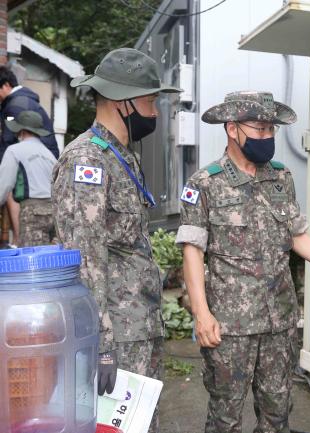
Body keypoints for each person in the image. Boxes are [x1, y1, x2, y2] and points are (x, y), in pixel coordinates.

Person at [175, 90, 310, 433]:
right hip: (229, 326)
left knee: (278, 413)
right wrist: (201, 313)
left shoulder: (281, 178)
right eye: (259, 129)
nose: (267, 137)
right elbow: (192, 249)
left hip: (279, 322)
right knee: (226, 417)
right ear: (232, 129)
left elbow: (298, 237)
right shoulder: (205, 183)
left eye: (271, 130)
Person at [51, 48, 181, 433]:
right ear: (123, 103)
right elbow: (84, 259)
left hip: (139, 327)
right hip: (117, 336)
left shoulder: (119, 155)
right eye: (149, 101)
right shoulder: (86, 161)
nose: (155, 112)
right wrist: (101, 344)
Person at [0, 66, 58, 245]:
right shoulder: (49, 155)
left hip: (32, 210)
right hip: (53, 210)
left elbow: (4, 186)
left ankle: (16, 240)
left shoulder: (15, 105)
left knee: (32, 257)